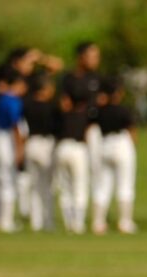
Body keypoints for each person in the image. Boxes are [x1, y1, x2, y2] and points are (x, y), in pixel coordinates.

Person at [92, 77, 138, 235]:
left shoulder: (100, 110)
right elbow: (132, 130)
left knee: (103, 186)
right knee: (125, 184)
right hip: (121, 143)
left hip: (104, 144)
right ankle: (125, 222)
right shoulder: (124, 110)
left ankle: (98, 222)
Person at [62, 41, 103, 216]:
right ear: (81, 57)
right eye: (92, 56)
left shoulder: (97, 78)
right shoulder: (70, 79)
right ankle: (74, 215)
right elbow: (65, 105)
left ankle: (97, 215)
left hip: (94, 129)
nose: (96, 60)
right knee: (75, 176)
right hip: (75, 131)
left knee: (96, 172)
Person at [0, 66, 27, 233]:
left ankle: (1, 217)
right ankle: (6, 221)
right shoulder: (13, 101)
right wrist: (20, 150)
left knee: (1, 179)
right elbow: (16, 127)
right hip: (7, 140)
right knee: (8, 181)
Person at [22, 74, 58, 232]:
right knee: (47, 186)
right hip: (46, 144)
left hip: (30, 143)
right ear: (44, 89)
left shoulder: (26, 105)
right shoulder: (51, 107)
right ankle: (48, 221)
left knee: (34, 185)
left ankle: (35, 222)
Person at [54, 88, 91, 234]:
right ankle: (78, 223)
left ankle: (69, 222)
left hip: (62, 148)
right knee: (79, 187)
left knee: (65, 188)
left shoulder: (60, 115)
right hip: (77, 148)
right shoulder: (83, 115)